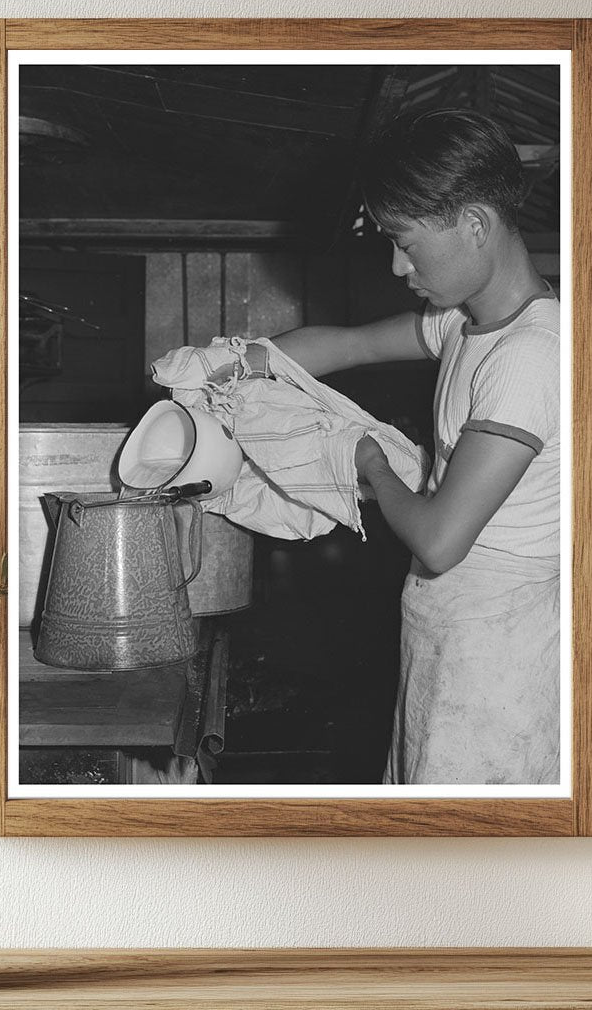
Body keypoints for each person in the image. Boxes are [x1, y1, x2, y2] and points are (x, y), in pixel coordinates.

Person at [223, 109, 561, 785]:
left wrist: (368, 458)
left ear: (473, 225)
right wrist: (228, 368)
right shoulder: (466, 325)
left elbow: (439, 540)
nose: (396, 263)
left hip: (501, 651)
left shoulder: (530, 358)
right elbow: (345, 344)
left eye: (405, 240)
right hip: (454, 628)